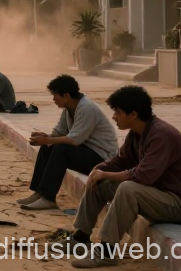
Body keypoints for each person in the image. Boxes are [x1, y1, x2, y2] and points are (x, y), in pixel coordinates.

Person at [64, 86, 181, 268]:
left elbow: (143, 176)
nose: (114, 117)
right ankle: (80, 237)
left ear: (133, 114)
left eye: (117, 112)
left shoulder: (161, 135)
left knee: (128, 188)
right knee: (101, 181)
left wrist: (105, 173)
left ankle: (106, 252)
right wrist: (97, 170)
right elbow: (120, 161)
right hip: (160, 195)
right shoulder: (136, 134)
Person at [17, 75, 118, 211]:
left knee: (60, 149)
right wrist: (45, 137)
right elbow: (60, 132)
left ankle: (48, 198)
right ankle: (39, 192)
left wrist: (48, 140)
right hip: (86, 151)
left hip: (102, 158)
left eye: (55, 95)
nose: (53, 99)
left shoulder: (87, 108)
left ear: (66, 95)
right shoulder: (68, 108)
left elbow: (75, 140)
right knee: (48, 146)